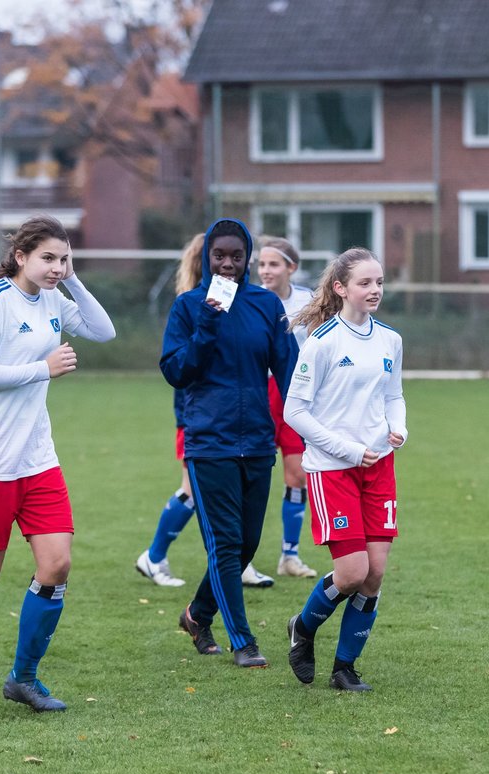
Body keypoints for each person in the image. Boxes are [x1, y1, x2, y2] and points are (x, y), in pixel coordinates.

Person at [0, 215, 115, 713]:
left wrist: (72, 279)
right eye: (47, 258)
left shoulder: (55, 297)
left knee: (56, 565)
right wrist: (43, 368)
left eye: (62, 258)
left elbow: (104, 329)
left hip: (37, 458)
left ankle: (23, 679)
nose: (55, 267)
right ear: (20, 257)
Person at [162, 218, 296, 668]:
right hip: (209, 443)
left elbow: (289, 370)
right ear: (207, 259)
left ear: (247, 259)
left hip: (258, 442)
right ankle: (244, 641)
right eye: (219, 255)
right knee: (223, 543)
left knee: (247, 545)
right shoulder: (188, 307)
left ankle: (197, 615)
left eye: (236, 256)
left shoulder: (265, 306)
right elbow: (178, 372)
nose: (227, 263)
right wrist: (206, 324)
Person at [284, 247, 406, 692]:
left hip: (379, 468)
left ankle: (344, 668)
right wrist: (347, 449)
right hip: (332, 469)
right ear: (341, 289)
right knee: (351, 573)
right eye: (364, 283)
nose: (374, 290)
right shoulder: (322, 341)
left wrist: (399, 427)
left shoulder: (390, 339)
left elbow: (394, 394)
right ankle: (303, 627)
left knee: (374, 575)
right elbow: (294, 410)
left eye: (378, 282)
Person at [239, 236, 318, 587]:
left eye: (273, 264)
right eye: (261, 264)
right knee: (250, 476)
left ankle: (289, 555)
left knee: (297, 475)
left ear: (291, 267)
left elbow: (321, 344)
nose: (265, 270)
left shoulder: (309, 302)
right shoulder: (251, 299)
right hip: (259, 392)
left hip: (296, 394)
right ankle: (241, 560)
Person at [133, 233, 204, 589]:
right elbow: (179, 367)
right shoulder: (191, 306)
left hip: (209, 415)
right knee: (192, 489)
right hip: (195, 415)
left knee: (209, 490)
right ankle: (154, 556)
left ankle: (238, 563)